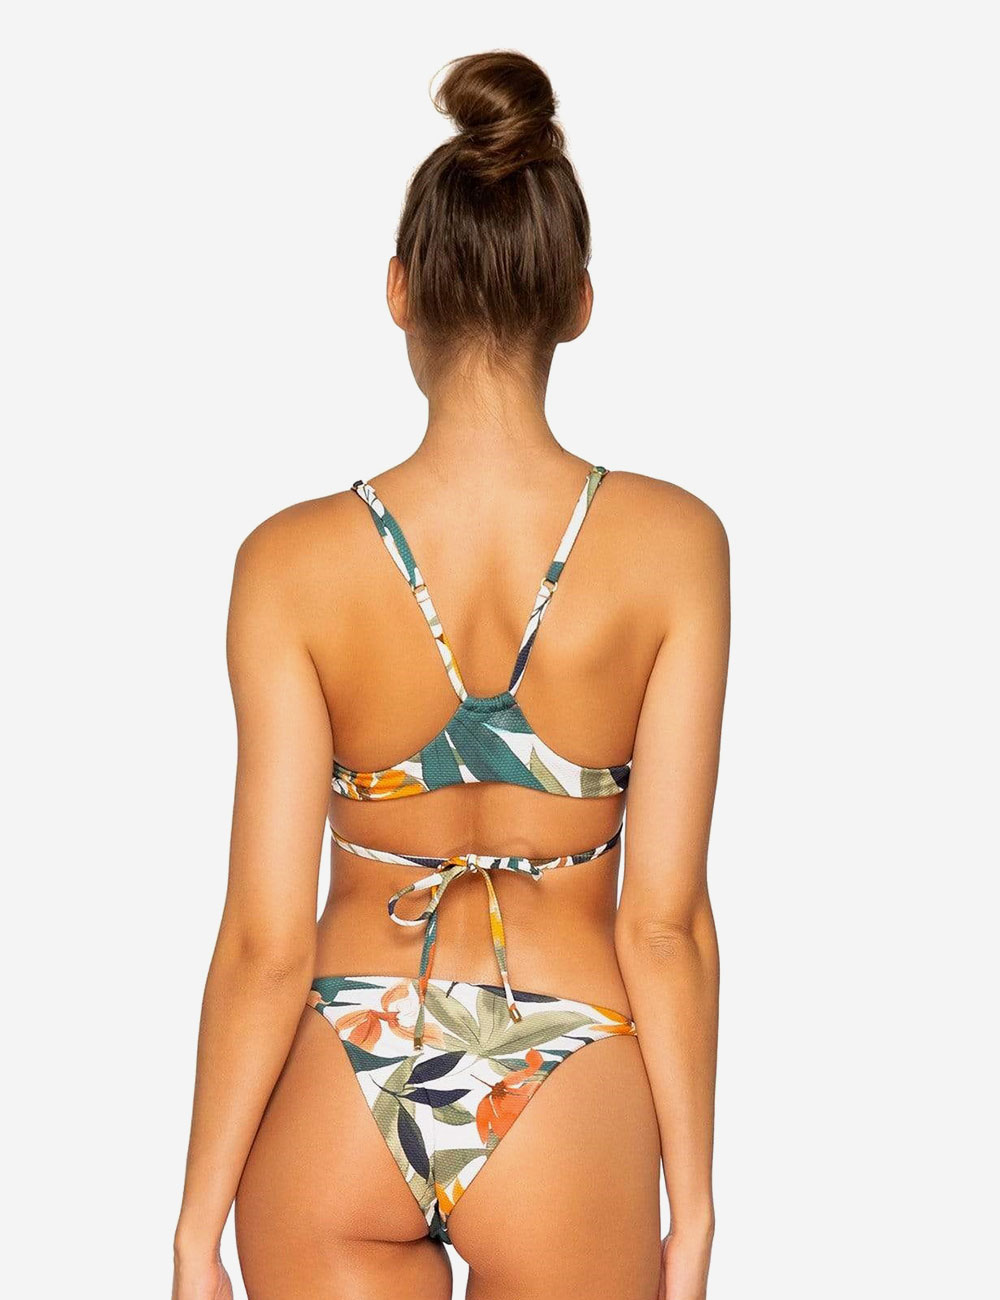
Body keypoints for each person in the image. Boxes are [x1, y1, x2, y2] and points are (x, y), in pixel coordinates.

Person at [172, 50, 729, 1300]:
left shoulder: (289, 564)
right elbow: (664, 923)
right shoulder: (673, 547)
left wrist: (195, 1228)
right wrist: (692, 1212)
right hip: (570, 1057)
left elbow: (265, 939)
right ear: (575, 300)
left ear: (398, 290)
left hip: (347, 1061)